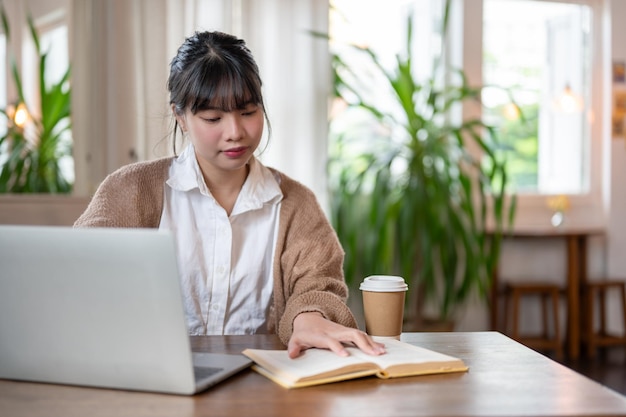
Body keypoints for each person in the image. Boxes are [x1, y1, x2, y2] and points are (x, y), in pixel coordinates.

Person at [74, 30, 385, 359]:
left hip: (260, 392)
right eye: (213, 118)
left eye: (248, 112)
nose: (235, 132)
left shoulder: (296, 204)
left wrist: (308, 317)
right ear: (180, 116)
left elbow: (317, 285)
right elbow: (78, 269)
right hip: (148, 379)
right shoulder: (132, 191)